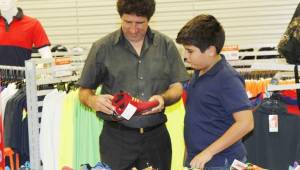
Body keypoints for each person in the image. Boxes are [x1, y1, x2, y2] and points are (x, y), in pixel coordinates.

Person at [78, 0, 189, 169]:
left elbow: (177, 87)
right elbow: (84, 90)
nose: (133, 29)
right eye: (127, 22)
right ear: (120, 18)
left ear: (149, 20)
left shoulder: (166, 46)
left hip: (156, 138)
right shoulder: (102, 48)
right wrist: (93, 101)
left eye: (140, 23)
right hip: (116, 139)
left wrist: (163, 99)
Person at [176, 14, 254, 169]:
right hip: (199, 161)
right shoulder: (199, 72)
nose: (186, 56)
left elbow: (246, 123)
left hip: (221, 162)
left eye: (190, 51)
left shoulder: (227, 78)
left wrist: (208, 152)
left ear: (211, 50)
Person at [0, 0, 52, 66]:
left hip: (23, 75)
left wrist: (38, 71)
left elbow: (46, 55)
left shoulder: (33, 24)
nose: (3, 1)